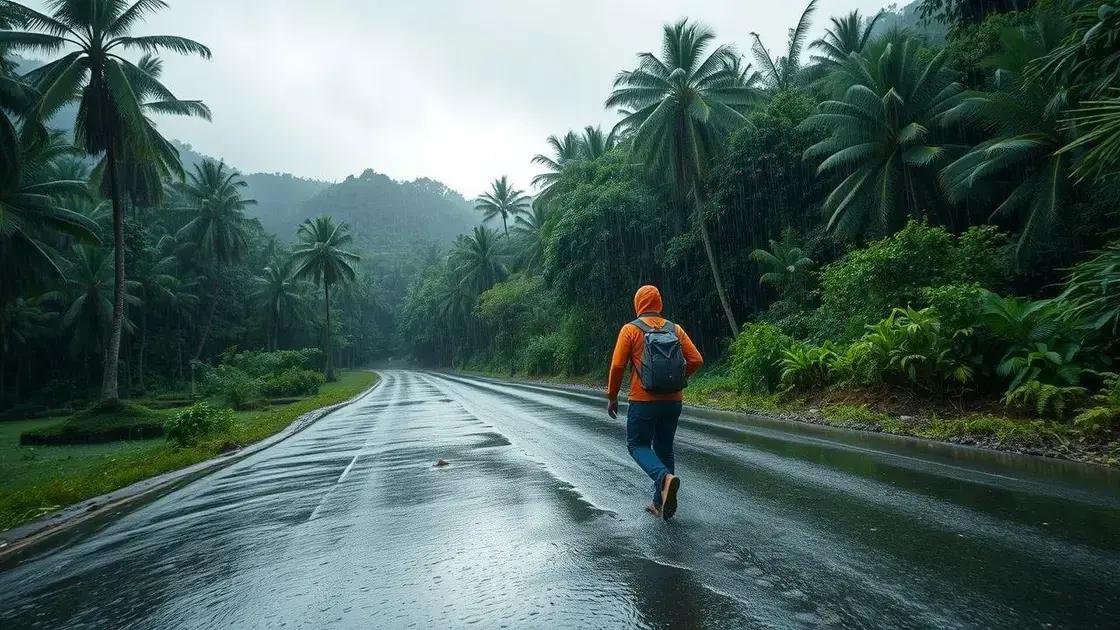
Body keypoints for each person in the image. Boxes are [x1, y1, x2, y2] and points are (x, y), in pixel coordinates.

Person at [607, 285, 703, 520]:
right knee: (664, 448)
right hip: (673, 402)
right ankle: (659, 504)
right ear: (659, 304)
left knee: (637, 445)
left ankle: (663, 479)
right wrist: (678, 379)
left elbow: (618, 365)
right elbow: (696, 359)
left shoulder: (630, 330)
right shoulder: (675, 329)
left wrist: (612, 396)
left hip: (643, 400)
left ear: (638, 304)